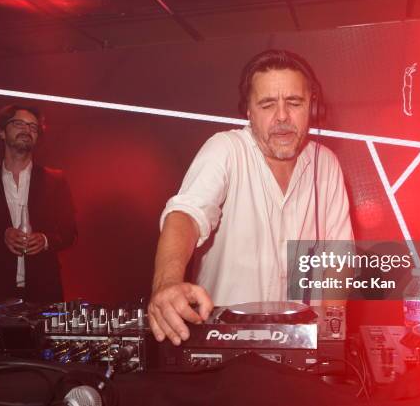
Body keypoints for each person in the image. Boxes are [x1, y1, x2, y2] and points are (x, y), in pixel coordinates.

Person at [149, 50, 353, 345]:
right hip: (225, 348)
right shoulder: (226, 149)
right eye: (267, 104)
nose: (282, 116)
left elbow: (339, 255)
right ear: (249, 112)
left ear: (313, 107)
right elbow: (185, 215)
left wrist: (332, 330)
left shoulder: (326, 164)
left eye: (294, 103)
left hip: (299, 345)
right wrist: (167, 284)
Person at [0, 104, 77, 302]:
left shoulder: (55, 180)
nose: (27, 130)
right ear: (2, 132)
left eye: (33, 127)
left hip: (44, 292)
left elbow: (70, 233)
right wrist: (0, 236)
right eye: (19, 123)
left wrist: (45, 240)